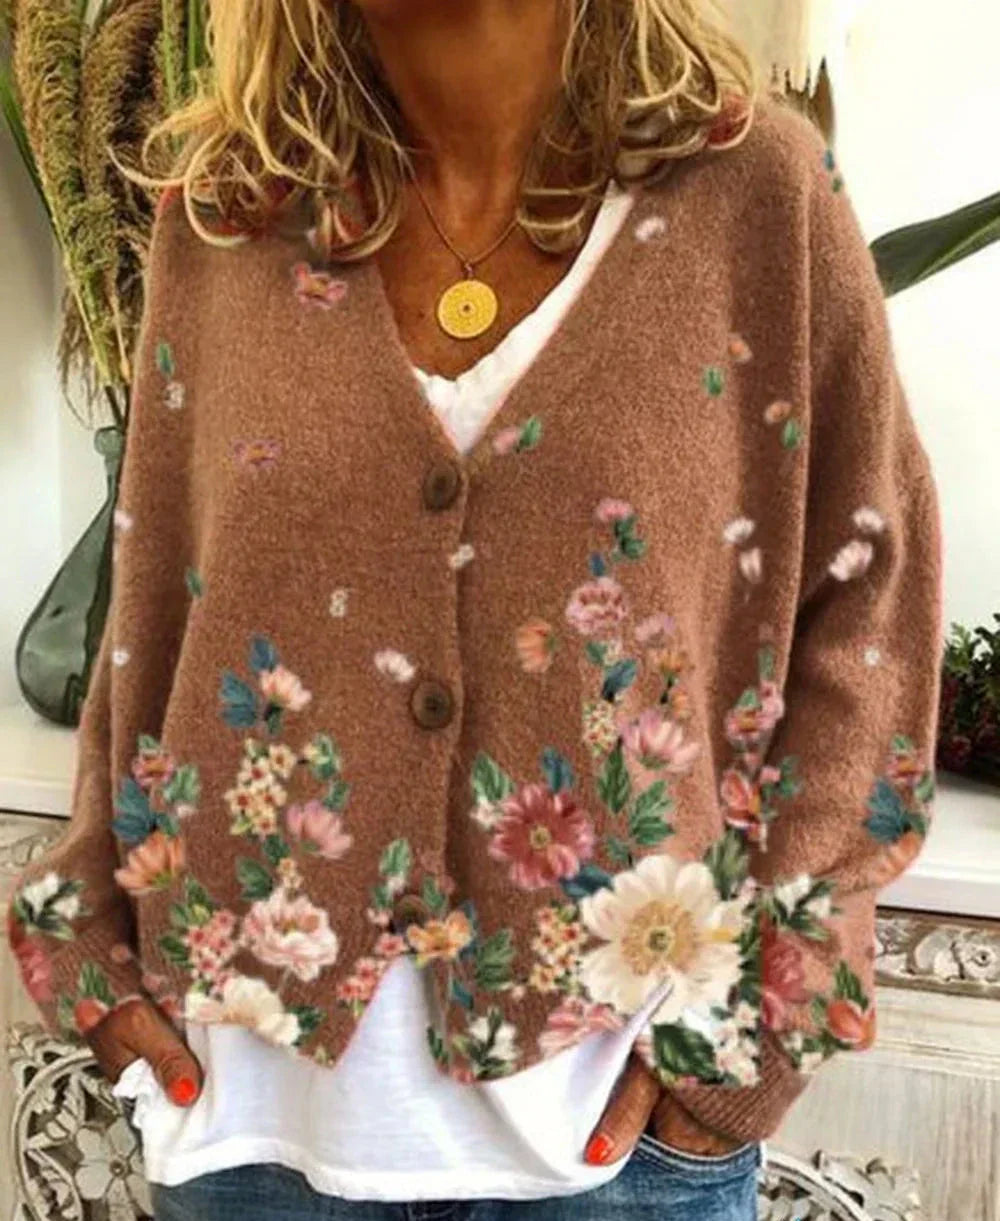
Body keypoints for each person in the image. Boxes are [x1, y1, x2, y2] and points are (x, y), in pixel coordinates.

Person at [6, 1, 943, 1218]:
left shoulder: (757, 196)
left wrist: (769, 1014)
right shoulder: (229, 216)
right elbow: (153, 608)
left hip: (616, 1151)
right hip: (252, 1137)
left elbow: (870, 605)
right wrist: (86, 931)